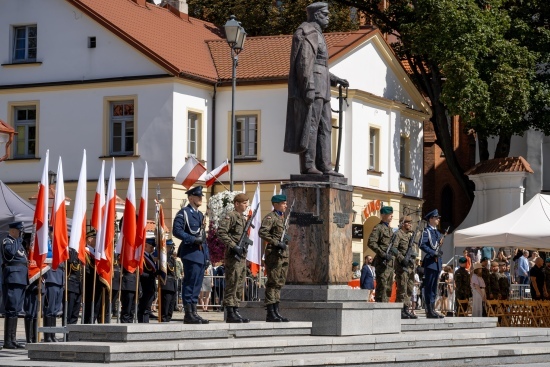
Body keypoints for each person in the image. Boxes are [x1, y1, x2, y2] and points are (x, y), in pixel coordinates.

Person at [283, 1, 349, 176]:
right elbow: (304, 63)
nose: (328, 17)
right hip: (313, 87)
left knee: (325, 127)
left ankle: (325, 165)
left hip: (323, 87)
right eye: (325, 14)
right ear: (316, 14)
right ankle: (308, 165)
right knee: (310, 125)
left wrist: (335, 79)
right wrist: (308, 87)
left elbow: (320, 65)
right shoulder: (307, 33)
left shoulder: (319, 34)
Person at [173, 185, 210, 324]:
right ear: (191, 198)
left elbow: (203, 238)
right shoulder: (184, 213)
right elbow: (176, 231)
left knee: (197, 284)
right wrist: (193, 239)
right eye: (198, 196)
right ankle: (188, 313)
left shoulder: (200, 215)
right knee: (190, 283)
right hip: (190, 253)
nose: (201, 198)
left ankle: (194, 312)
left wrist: (207, 257)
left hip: (200, 254)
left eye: (201, 196)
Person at [217, 193, 251, 323]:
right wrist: (233, 245)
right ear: (237, 204)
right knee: (233, 282)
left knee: (239, 283)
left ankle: (236, 310)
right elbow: (221, 232)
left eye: (247, 203)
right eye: (244, 203)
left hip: (241, 256)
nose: (246, 205)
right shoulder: (231, 216)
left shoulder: (242, 218)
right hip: (233, 256)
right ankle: (230, 312)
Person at [259, 194, 291, 322]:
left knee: (279, 283)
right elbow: (262, 232)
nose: (285, 205)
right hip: (274, 254)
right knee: (272, 283)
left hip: (283, 255)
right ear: (276, 204)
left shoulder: (283, 218)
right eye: (283, 203)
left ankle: (277, 310)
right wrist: (276, 242)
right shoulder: (270, 217)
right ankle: (270, 312)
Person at [1, 221, 28, 349]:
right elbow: (10, 254)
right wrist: (18, 240)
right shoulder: (8, 241)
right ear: (12, 231)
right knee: (11, 309)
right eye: (19, 231)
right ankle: (7, 341)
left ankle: (13, 339)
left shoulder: (19, 244)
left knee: (16, 310)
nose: (20, 233)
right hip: (13, 278)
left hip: (21, 278)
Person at [419, 209, 444, 318]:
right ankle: (429, 310)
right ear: (431, 219)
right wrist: (433, 252)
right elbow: (422, 244)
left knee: (434, 287)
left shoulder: (437, 232)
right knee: (429, 286)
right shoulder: (426, 231)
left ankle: (433, 309)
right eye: (436, 217)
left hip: (437, 263)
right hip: (430, 262)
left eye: (438, 218)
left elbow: (436, 246)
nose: (438, 219)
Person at [367, 206, 395, 303]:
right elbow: (371, 242)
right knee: (382, 287)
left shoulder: (390, 230)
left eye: (391, 214)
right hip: (382, 263)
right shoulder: (378, 228)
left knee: (388, 288)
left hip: (390, 263)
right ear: (383, 215)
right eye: (389, 214)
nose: (391, 216)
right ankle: (380, 308)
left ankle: (385, 307)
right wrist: (382, 254)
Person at [394, 215, 417, 319]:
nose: (410, 224)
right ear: (403, 223)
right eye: (408, 223)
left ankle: (406, 309)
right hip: (402, 266)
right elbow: (394, 249)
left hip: (411, 267)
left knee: (409, 289)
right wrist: (402, 258)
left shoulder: (410, 236)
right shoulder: (398, 234)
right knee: (402, 289)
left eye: (410, 223)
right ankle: (400, 310)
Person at [138, 238, 157, 323]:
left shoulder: (151, 257)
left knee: (147, 309)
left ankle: (146, 323)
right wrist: (152, 274)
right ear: (145, 245)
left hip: (150, 286)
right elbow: (141, 272)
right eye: (151, 246)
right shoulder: (142, 257)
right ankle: (142, 323)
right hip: (144, 286)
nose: (153, 248)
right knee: (143, 307)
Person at [160, 239, 178, 322]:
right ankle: (164, 318)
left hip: (173, 283)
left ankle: (168, 318)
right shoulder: (164, 258)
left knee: (171, 304)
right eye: (170, 247)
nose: (172, 249)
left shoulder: (172, 258)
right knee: (166, 304)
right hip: (167, 284)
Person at [66, 247, 83, 325]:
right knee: (69, 311)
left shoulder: (81, 254)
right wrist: (72, 251)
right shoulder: (70, 253)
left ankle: (72, 333)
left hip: (79, 287)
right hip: (71, 286)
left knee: (75, 313)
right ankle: (67, 333)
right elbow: (69, 262)